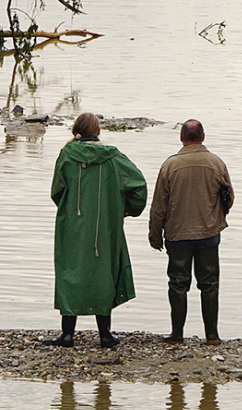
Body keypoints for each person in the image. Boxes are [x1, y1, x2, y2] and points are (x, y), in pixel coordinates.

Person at [45, 112, 147, 348]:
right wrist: (123, 210)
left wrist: (70, 209)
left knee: (70, 270)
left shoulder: (66, 155)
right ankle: (105, 335)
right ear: (98, 131)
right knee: (104, 271)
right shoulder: (114, 157)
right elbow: (139, 186)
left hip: (72, 225)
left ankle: (67, 335)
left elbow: (57, 191)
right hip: (105, 226)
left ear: (75, 131)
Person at [149, 119, 234, 346]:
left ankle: (177, 335)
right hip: (208, 234)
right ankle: (212, 336)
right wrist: (216, 217)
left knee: (177, 283)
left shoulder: (169, 166)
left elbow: (159, 206)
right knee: (209, 284)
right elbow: (229, 198)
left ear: (181, 138)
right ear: (203, 137)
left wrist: (155, 235)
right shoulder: (216, 163)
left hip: (178, 235)